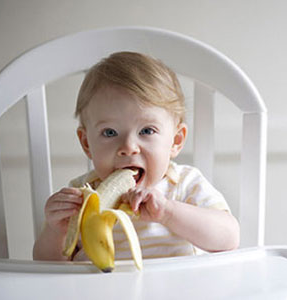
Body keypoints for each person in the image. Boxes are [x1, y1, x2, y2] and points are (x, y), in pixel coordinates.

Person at [33, 52, 240, 261]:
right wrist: (55, 230)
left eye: (147, 131)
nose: (129, 147)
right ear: (87, 143)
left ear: (176, 141)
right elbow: (47, 266)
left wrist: (168, 212)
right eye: (110, 133)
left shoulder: (185, 184)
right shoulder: (83, 195)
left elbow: (229, 237)